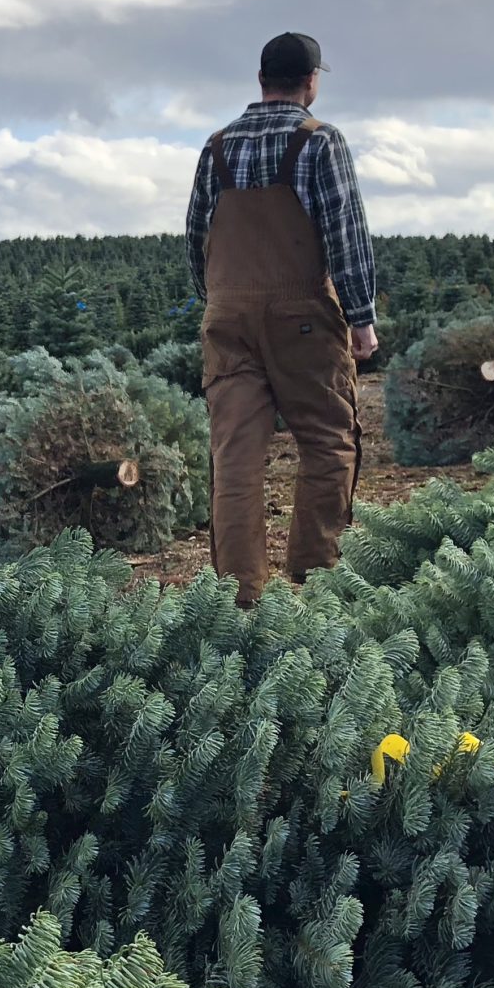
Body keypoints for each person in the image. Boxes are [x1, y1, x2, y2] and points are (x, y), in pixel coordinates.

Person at [184, 31, 379, 609]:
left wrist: (217, 300)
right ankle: (316, 583)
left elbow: (196, 236)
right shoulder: (320, 142)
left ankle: (237, 603)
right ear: (312, 81)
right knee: (327, 441)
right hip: (301, 317)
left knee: (235, 458)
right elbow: (345, 234)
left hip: (228, 316)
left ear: (261, 79)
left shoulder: (216, 147)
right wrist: (362, 318)